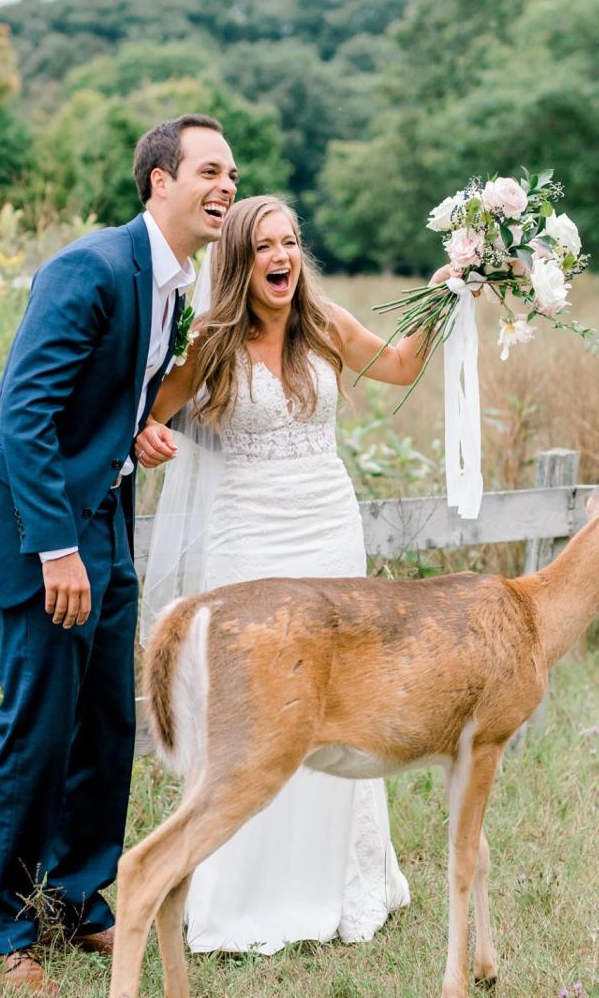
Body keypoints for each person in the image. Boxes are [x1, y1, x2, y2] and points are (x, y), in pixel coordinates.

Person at [0, 114, 239, 992]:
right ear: (159, 181)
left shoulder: (172, 283)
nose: (226, 187)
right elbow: (26, 414)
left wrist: (133, 434)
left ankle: (77, 900)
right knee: (36, 725)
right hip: (39, 534)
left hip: (104, 521)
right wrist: (56, 549)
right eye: (209, 172)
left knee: (108, 721)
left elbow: (104, 399)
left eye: (232, 175)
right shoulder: (92, 267)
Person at [136, 195, 447, 954]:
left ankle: (342, 880)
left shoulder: (326, 323)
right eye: (266, 246)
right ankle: (241, 893)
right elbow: (150, 409)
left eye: (292, 243)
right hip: (249, 538)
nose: (283, 257)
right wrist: (145, 434)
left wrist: (446, 293)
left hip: (329, 536)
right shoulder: (208, 342)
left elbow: (400, 365)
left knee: (341, 695)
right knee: (258, 703)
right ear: (240, 260)